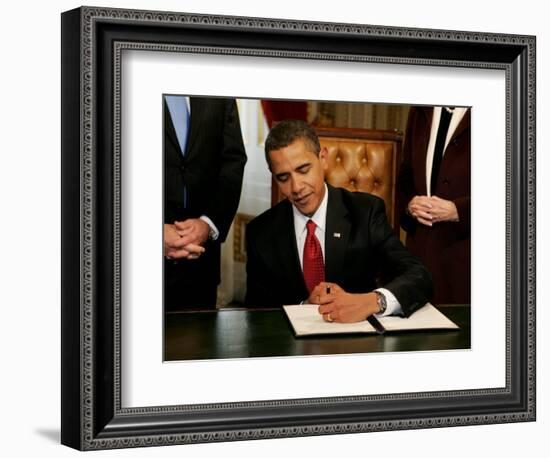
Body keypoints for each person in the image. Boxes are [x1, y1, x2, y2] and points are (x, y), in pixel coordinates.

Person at [245, 119, 432, 323]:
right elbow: (256, 315)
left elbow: (418, 276)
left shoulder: (366, 212)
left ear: (323, 158)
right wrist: (304, 307)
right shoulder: (260, 232)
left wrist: (372, 301)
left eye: (303, 169)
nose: (296, 187)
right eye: (283, 177)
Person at [163, 96, 247, 311]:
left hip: (201, 264)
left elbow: (233, 161)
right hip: (129, 267)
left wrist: (208, 223)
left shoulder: (218, 88)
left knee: (201, 342)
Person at [397, 106, 470, 304]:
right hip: (419, 255)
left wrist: (460, 211)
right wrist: (410, 203)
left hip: (466, 261)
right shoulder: (420, 109)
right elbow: (406, 175)